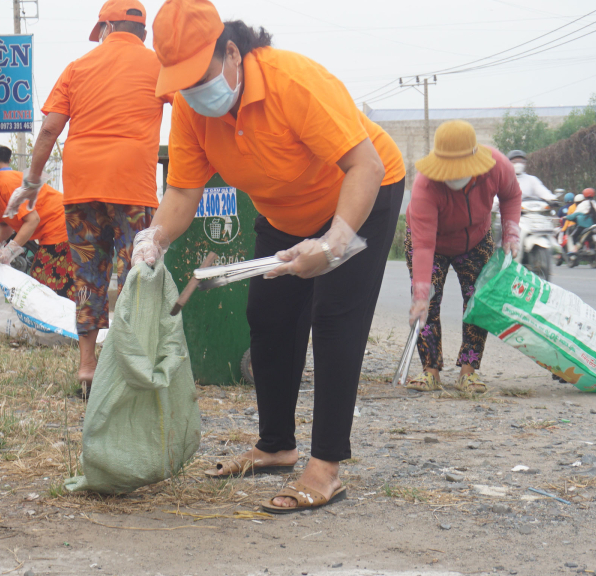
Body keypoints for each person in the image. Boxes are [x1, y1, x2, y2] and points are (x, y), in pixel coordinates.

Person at [135, 0, 407, 514]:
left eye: (201, 75)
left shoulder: (293, 83)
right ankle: (277, 446)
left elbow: (364, 166)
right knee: (269, 316)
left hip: (360, 198)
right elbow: (183, 193)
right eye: (183, 82)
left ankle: (326, 467)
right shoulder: (194, 111)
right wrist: (154, 239)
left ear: (232, 53)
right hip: (284, 212)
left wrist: (333, 244)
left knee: (333, 319)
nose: (194, 92)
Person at [6, 0, 170, 393]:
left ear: (106, 29)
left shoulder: (77, 68)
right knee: (136, 273)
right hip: (133, 188)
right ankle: (131, 363)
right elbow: (187, 114)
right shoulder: (159, 68)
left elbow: (48, 131)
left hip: (81, 189)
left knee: (87, 276)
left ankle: (87, 368)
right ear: (143, 34)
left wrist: (31, 180)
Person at [405, 121, 522, 395]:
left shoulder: (497, 166)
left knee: (477, 302)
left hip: (476, 240)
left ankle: (468, 373)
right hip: (431, 245)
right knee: (428, 304)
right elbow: (423, 245)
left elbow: (512, 195)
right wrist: (421, 295)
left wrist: (511, 234)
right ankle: (430, 372)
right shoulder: (425, 186)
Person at [0, 163, 74, 296]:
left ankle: (69, 312)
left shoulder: (5, 184)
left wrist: (11, 249)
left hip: (60, 222)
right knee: (50, 283)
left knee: (43, 279)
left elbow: (33, 220)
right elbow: (5, 223)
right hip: (51, 229)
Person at [564, 188, 596, 254]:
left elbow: (573, 215)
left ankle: (576, 249)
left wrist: (566, 217)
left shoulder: (582, 205)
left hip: (583, 226)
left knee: (574, 236)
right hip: (595, 225)